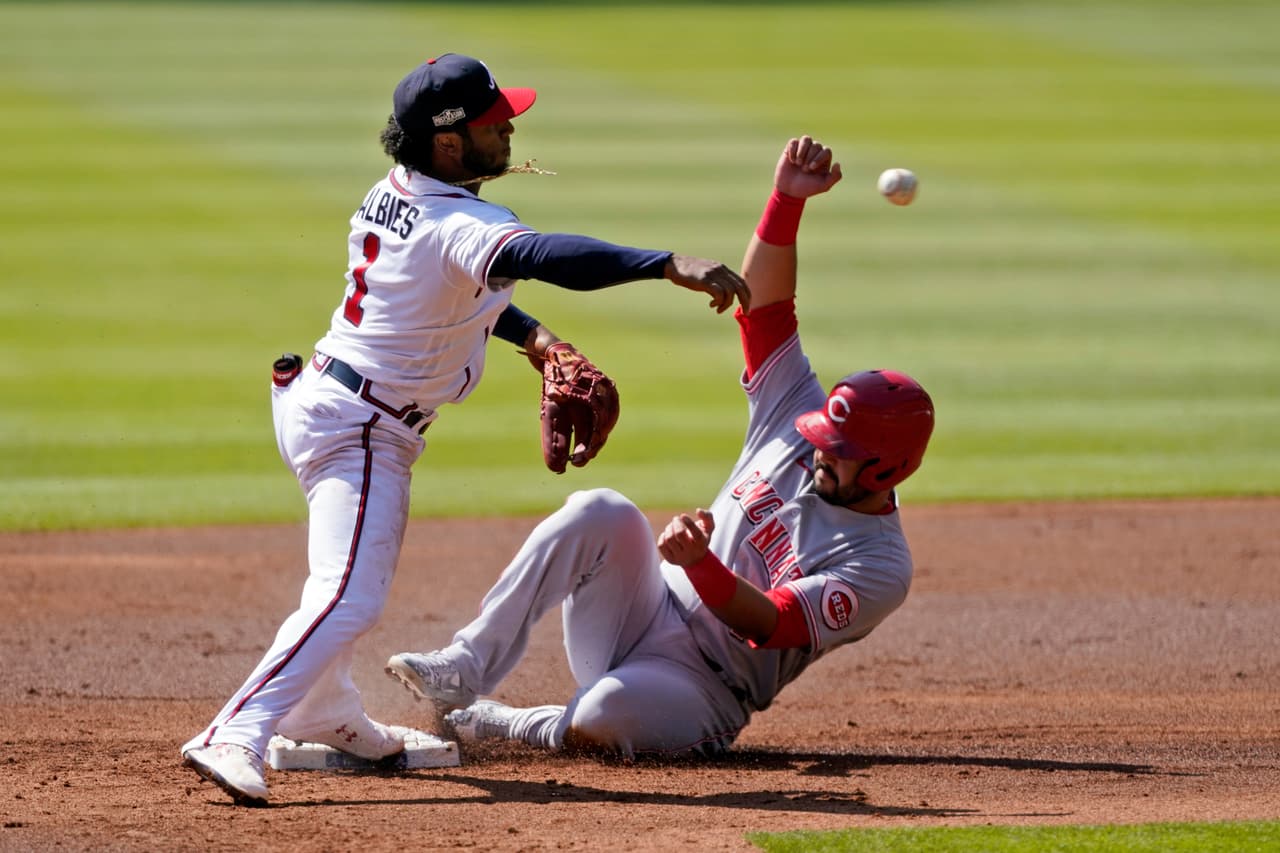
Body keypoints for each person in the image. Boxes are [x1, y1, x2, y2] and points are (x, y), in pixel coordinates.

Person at [180, 52, 750, 806]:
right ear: (449, 144)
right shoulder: (463, 220)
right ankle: (236, 731)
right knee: (348, 593)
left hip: (326, 399)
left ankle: (325, 709)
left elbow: (461, 286)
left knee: (344, 579)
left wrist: (538, 341)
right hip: (360, 428)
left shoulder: (398, 193)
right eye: (493, 121)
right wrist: (664, 263)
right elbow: (541, 255)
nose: (510, 127)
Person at [383, 136, 936, 759]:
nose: (818, 450)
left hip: (699, 687)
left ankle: (508, 723)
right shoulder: (794, 417)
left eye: (838, 449)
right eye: (822, 437)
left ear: (888, 468)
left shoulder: (881, 567)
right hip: (641, 608)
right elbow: (766, 314)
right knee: (600, 509)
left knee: (603, 714)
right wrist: (786, 200)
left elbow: (774, 624)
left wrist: (702, 561)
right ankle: (465, 664)